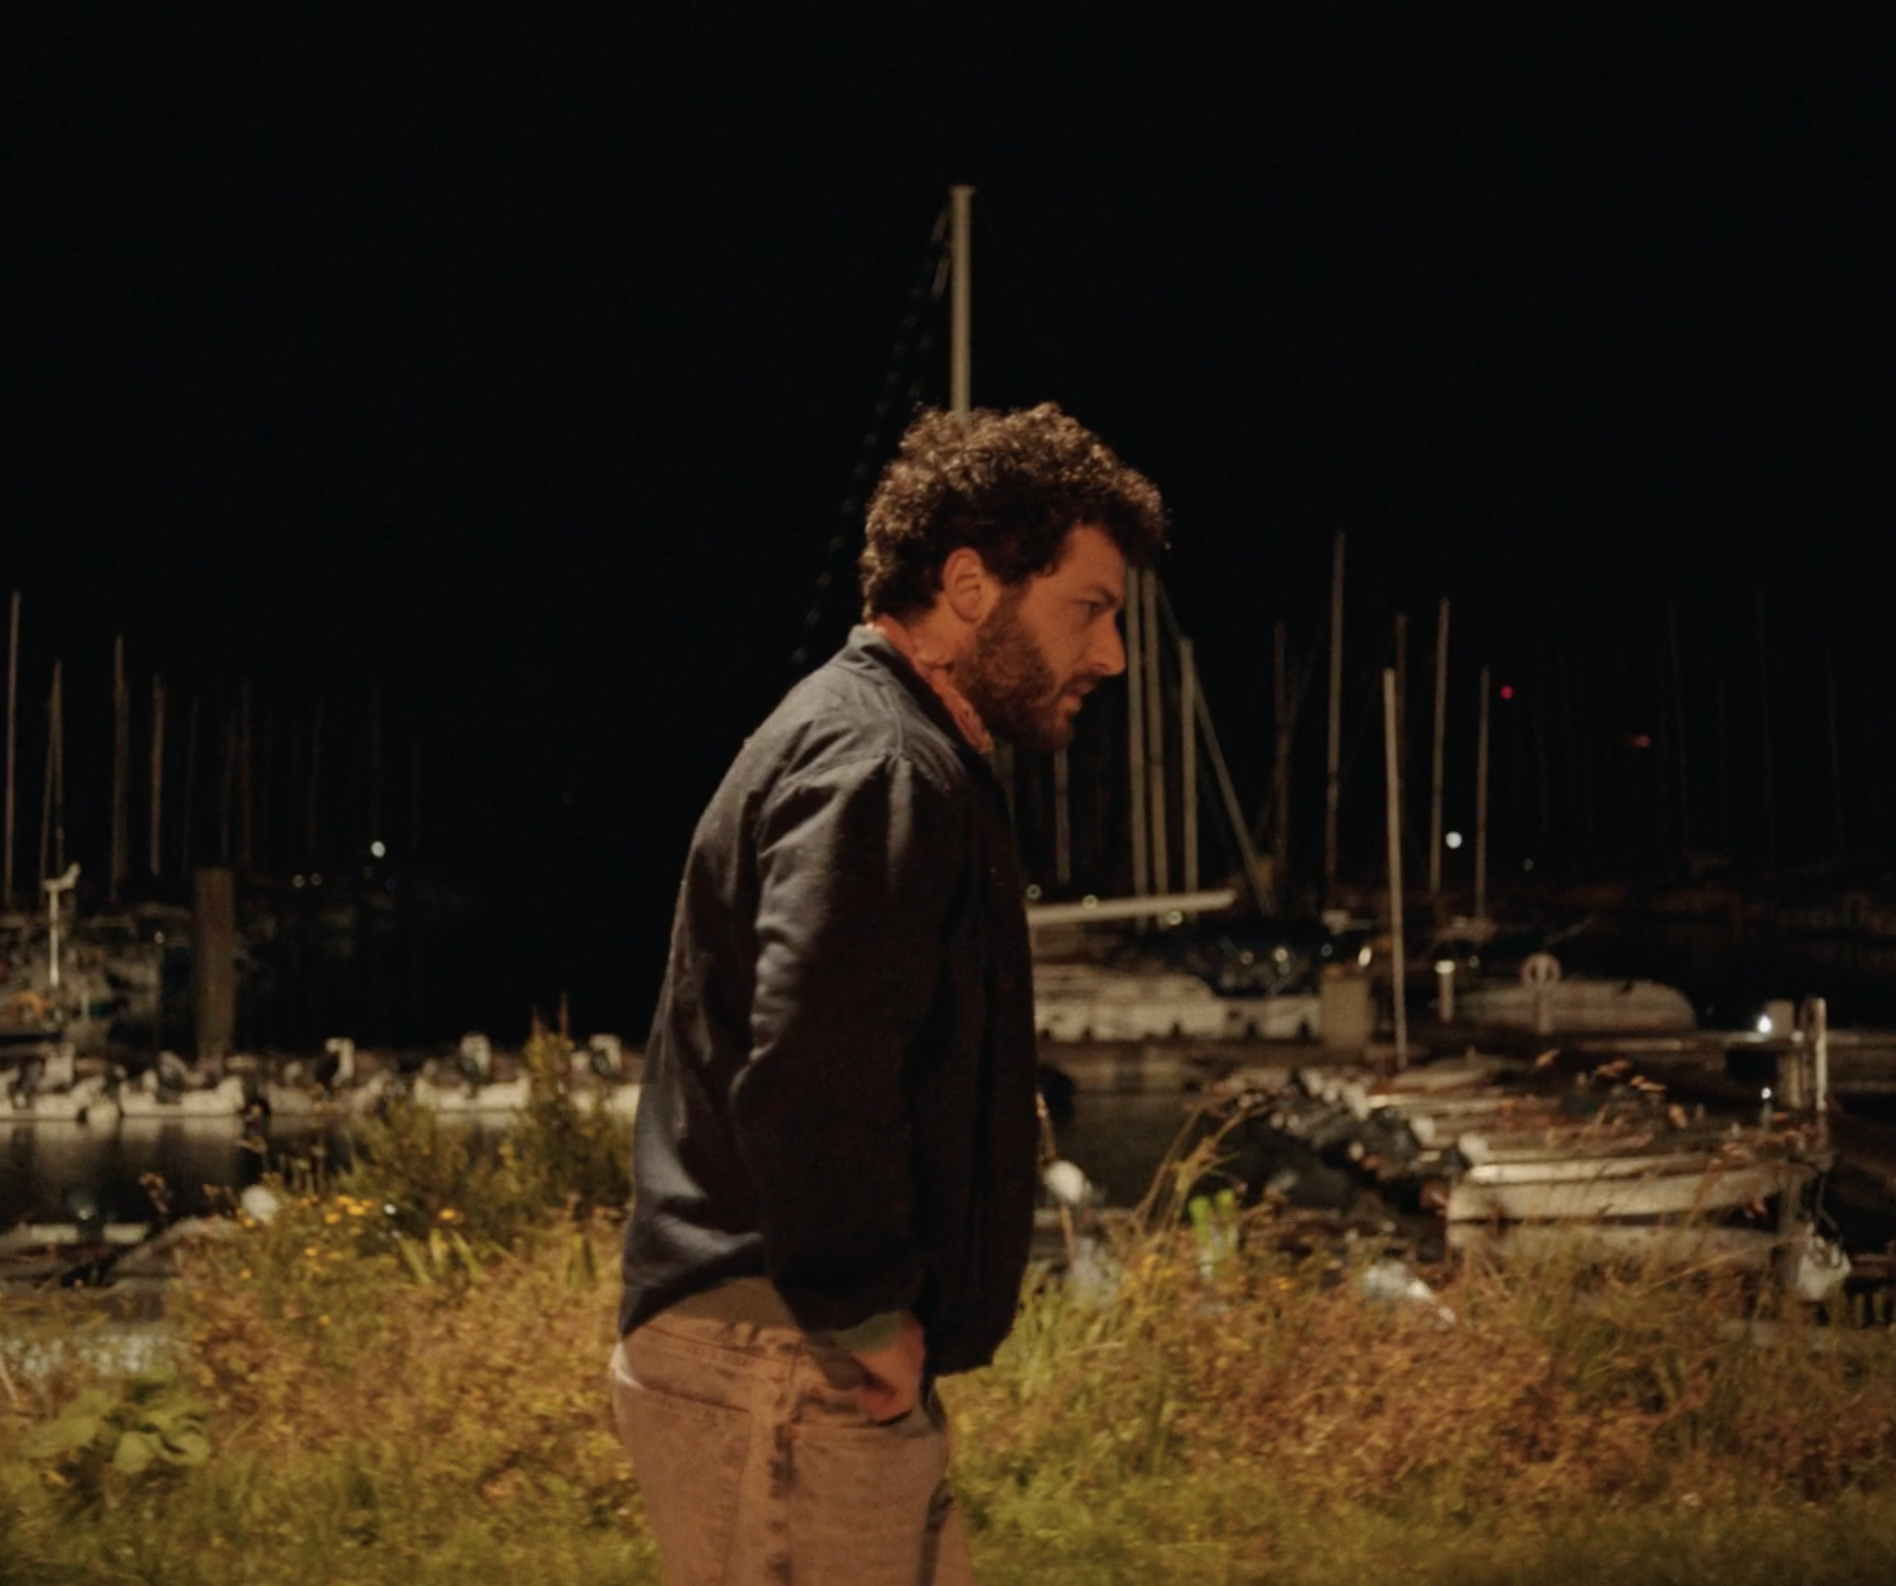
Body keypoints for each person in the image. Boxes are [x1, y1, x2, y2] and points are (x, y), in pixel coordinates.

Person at [610, 402, 1167, 1584]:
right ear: (969, 585)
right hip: (787, 1353)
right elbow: (816, 1057)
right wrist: (866, 1308)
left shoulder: (887, 746)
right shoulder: (881, 762)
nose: (1112, 654)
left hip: (796, 1352)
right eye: (1090, 607)